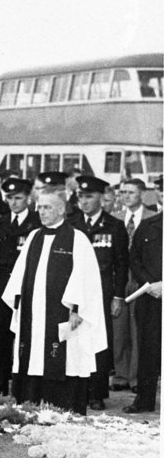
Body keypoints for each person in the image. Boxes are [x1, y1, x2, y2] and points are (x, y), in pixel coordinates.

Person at [2, 187, 106, 414]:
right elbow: (20, 274)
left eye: (47, 207)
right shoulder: (33, 236)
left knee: (63, 357)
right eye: (39, 207)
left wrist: (77, 309)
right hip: (32, 312)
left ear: (61, 210)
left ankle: (63, 407)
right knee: (32, 356)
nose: (41, 212)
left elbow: (85, 277)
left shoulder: (77, 239)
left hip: (63, 313)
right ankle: (29, 404)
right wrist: (18, 303)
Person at [72, 175, 128, 410]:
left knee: (99, 343)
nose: (84, 201)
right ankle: (78, 390)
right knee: (76, 341)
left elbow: (121, 265)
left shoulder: (114, 226)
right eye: (81, 197)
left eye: (89, 196)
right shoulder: (72, 223)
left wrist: (118, 296)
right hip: (76, 291)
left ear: (101, 198)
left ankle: (97, 393)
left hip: (102, 292)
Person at [0, 177, 41, 396]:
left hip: (27, 282)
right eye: (9, 198)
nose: (13, 203)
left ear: (28, 198)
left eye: (18, 198)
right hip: (2, 280)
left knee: (26, 333)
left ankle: (23, 382)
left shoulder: (36, 224)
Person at [111, 178, 156, 392]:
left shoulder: (153, 218)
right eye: (123, 192)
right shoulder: (114, 218)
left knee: (138, 327)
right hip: (121, 277)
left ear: (142, 194)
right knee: (119, 327)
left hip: (142, 278)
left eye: (130, 192)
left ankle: (137, 376)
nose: (125, 196)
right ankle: (121, 374)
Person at [124, 210, 162, 413]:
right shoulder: (148, 225)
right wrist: (151, 284)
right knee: (148, 349)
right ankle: (144, 400)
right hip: (150, 297)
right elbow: (134, 259)